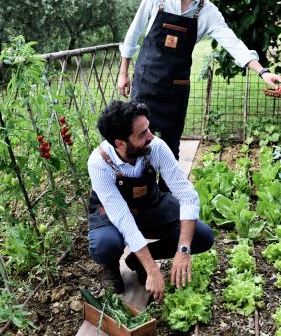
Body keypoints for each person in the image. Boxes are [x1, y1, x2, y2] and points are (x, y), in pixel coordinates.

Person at [118, 0, 281, 161]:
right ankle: (140, 191)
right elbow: (133, 33)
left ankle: (168, 193)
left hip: (176, 90)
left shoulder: (207, 11)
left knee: (171, 148)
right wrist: (123, 73)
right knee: (138, 143)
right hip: (146, 84)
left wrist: (263, 72)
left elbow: (232, 43)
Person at [87, 100, 215, 301]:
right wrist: (153, 269)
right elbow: (122, 217)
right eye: (142, 134)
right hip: (113, 215)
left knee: (202, 236)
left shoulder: (156, 147)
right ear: (120, 143)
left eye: (148, 128)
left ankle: (136, 261)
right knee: (105, 244)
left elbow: (187, 195)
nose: (151, 137)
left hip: (149, 205)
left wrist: (183, 250)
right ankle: (111, 267)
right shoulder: (99, 163)